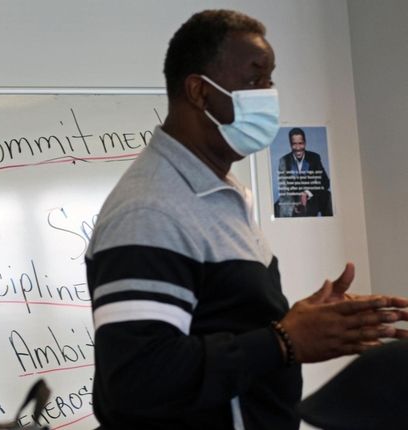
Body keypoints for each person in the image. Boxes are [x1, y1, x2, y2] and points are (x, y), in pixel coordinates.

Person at [85, 9, 408, 430]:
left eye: (271, 79)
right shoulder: (150, 210)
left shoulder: (220, 193)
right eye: (256, 79)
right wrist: (284, 340)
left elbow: (225, 324)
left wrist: (305, 323)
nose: (269, 94)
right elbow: (137, 380)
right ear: (200, 92)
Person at [274, 127, 333, 217]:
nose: (298, 148)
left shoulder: (314, 158)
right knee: (277, 206)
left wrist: (307, 193)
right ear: (290, 144)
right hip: (293, 199)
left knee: (327, 196)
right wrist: (297, 198)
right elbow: (284, 187)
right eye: (294, 144)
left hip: (312, 197)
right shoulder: (284, 161)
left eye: (300, 143)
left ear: (305, 143)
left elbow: (325, 182)